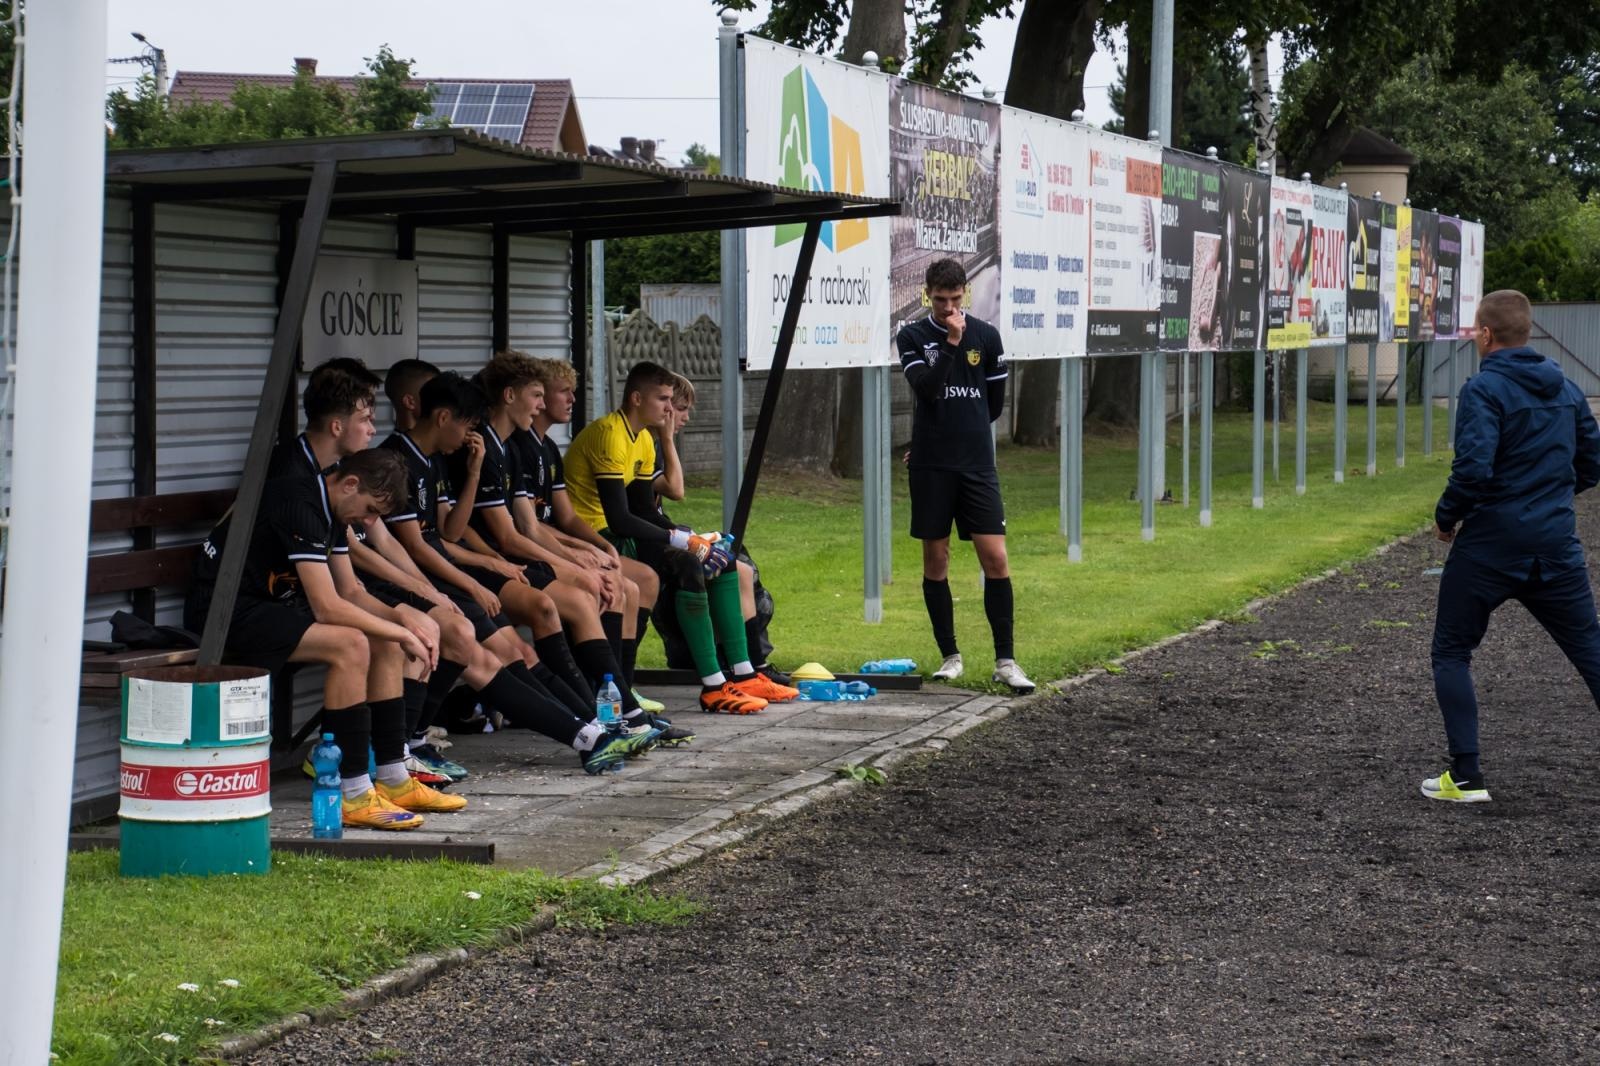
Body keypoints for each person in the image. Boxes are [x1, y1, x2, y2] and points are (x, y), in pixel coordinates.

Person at [377, 370, 649, 773]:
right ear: (443, 418)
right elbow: (413, 546)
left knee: (515, 651)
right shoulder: (396, 460)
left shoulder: (436, 459)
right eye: (469, 425)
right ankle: (409, 746)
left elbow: (448, 530)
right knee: (486, 648)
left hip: (444, 576)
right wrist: (473, 575)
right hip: (421, 581)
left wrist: (471, 475)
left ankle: (596, 728)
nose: (472, 434)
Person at [184, 450, 464, 830]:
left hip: (272, 605)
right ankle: (352, 794)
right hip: (225, 611)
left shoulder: (331, 504)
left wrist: (402, 623)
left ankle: (394, 779)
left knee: (384, 642)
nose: (367, 522)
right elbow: (329, 607)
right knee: (351, 644)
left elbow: (351, 590)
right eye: (368, 510)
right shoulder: (300, 505)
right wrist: (401, 629)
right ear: (350, 484)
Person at [1425, 289, 1600, 803]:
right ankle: (1464, 776)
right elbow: (1592, 464)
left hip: (1491, 546)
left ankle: (1467, 777)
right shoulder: (1568, 389)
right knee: (1590, 648)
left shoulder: (1483, 390)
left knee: (1451, 652)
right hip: (1555, 545)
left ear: (1485, 334)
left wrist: (1445, 517)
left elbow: (1474, 468)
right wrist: (1548, 500)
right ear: (1528, 333)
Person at [564, 359, 798, 714]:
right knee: (689, 563)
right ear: (637, 398)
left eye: (672, 400)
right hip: (595, 535)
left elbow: (644, 510)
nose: (670, 408)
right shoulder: (610, 434)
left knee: (722, 560)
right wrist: (681, 541)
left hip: (618, 530)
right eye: (663, 399)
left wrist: (687, 538)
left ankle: (744, 673)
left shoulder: (642, 438)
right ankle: (713, 686)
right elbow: (619, 518)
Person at [897, 258, 1034, 693]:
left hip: (976, 465)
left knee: (995, 557)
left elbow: (993, 405)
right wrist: (952, 343)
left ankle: (1006, 661)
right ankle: (950, 656)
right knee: (936, 560)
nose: (948, 307)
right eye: (940, 300)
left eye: (955, 299)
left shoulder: (987, 336)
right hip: (932, 466)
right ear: (927, 294)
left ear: (965, 294)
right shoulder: (913, 335)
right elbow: (928, 390)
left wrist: (964, 431)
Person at [650, 372, 785, 683]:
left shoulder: (651, 444)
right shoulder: (648, 444)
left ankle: (752, 665)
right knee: (732, 567)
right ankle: (747, 668)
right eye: (678, 408)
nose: (683, 416)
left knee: (739, 564)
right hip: (644, 544)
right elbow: (676, 489)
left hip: (659, 535)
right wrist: (668, 439)